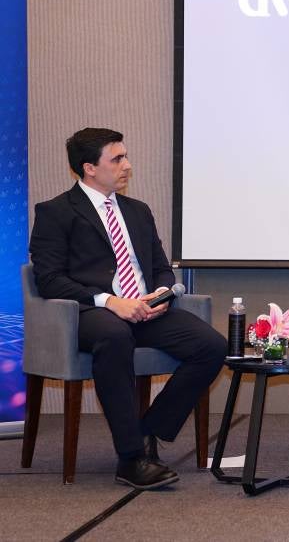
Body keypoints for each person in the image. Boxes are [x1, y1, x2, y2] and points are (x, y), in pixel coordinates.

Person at [28, 128, 226, 490]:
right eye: (117, 159)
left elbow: (160, 266)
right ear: (89, 168)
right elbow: (50, 280)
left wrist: (162, 293)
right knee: (115, 335)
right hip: (89, 313)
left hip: (145, 309)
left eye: (125, 156)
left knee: (212, 346)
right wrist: (110, 301)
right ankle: (131, 459)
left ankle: (149, 431)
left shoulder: (137, 211)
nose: (127, 165)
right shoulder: (56, 212)